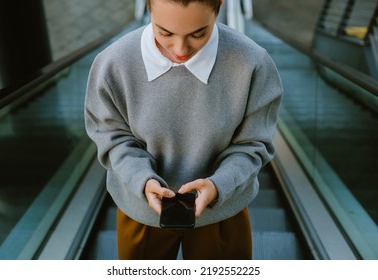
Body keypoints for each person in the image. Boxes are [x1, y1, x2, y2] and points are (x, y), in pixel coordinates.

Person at [85, 0, 282, 260]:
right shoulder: (113, 63)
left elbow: (253, 144)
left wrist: (219, 185)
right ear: (147, 7)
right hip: (142, 209)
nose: (180, 49)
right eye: (164, 32)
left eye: (198, 33)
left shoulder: (253, 63)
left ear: (219, 6)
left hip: (221, 210)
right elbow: (112, 137)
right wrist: (142, 180)